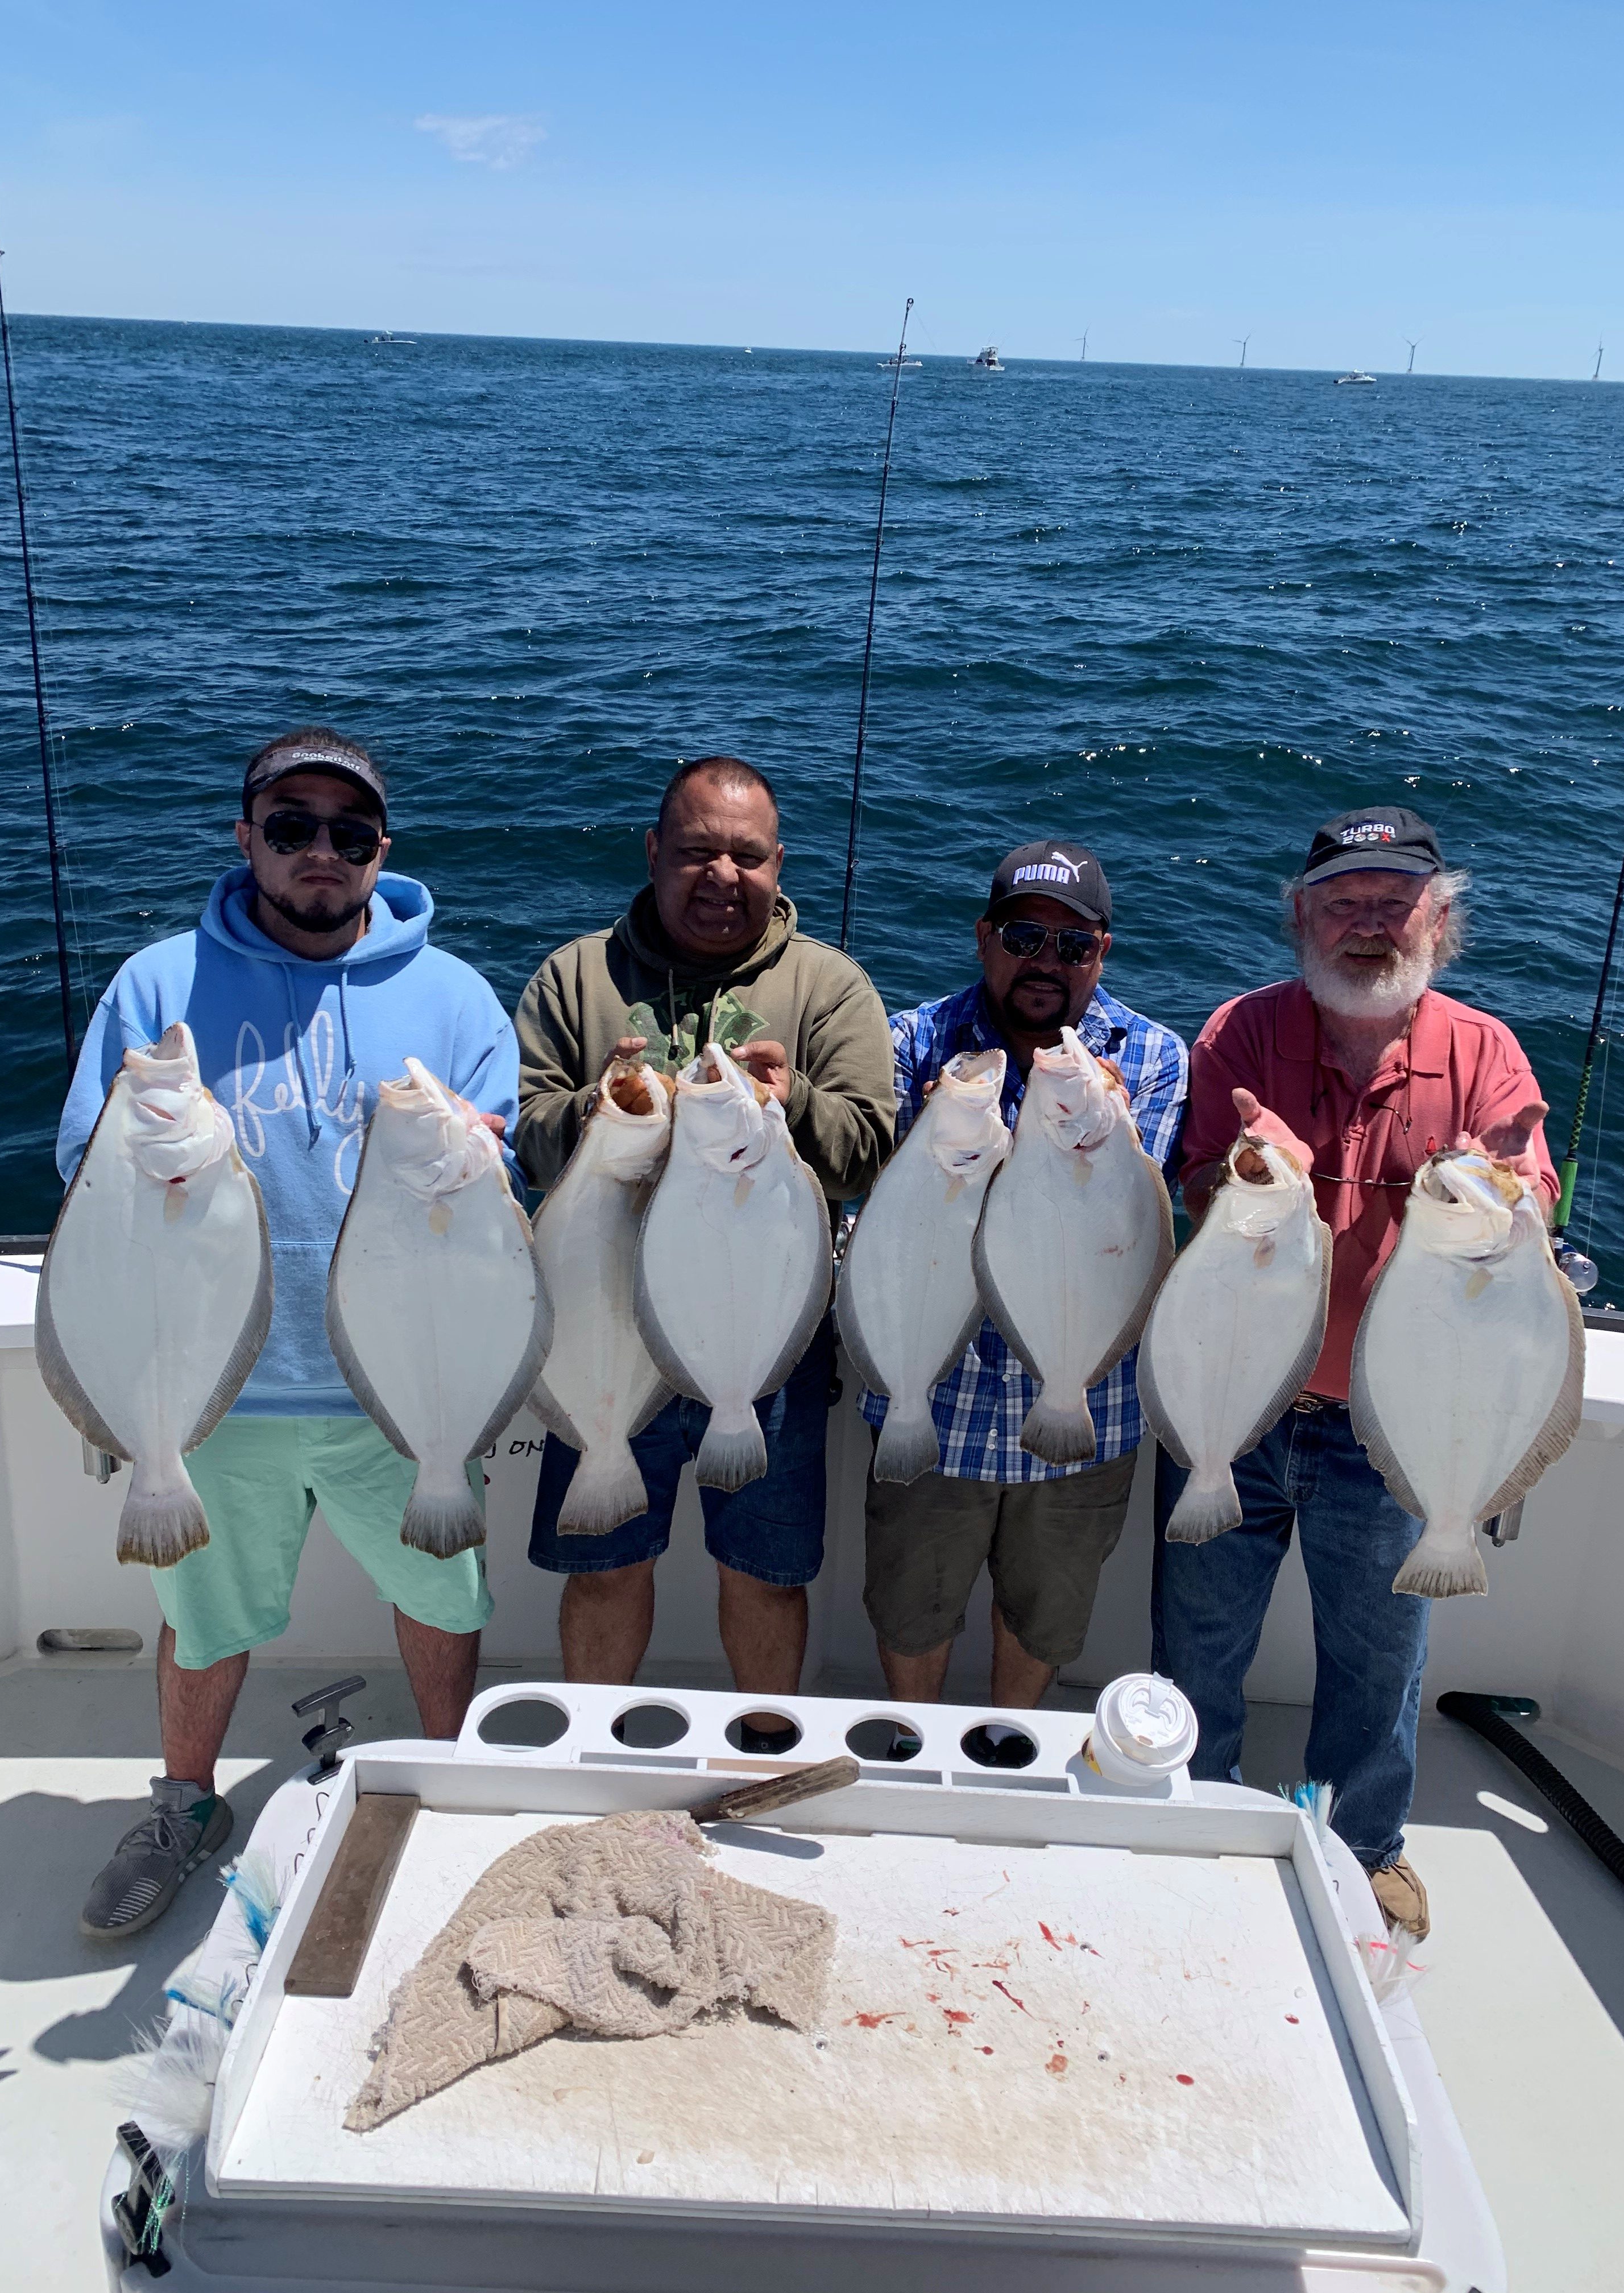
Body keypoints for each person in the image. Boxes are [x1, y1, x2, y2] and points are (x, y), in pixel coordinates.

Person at [60, 730, 516, 1938]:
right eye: (292, 825)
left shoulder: (455, 996)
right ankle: (183, 1805)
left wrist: (485, 1155)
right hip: (218, 1391)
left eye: (349, 831)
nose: (322, 849)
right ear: (246, 836)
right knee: (203, 1619)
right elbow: (80, 1174)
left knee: (445, 1600)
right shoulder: (155, 986)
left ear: (382, 850)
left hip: (403, 1390)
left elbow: (502, 1184)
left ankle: (448, 1785)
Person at [1154, 805, 1556, 1939]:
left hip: (1393, 1426)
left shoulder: (1485, 1054)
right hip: (1235, 1401)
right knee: (1199, 1641)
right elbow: (1195, 1184)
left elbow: (1531, 1193)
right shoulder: (1238, 1033)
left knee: (1380, 1661)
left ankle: (1363, 1846)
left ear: (1440, 920)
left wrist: (1508, 1191)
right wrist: (1242, 1172)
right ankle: (1189, 1811)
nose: (1370, 924)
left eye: (1396, 903)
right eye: (1344, 903)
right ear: (1300, 916)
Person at [514, 756, 895, 1715]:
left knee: (764, 1573)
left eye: (748, 856)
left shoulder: (830, 988)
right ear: (653, 852)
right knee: (604, 1568)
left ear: (779, 865)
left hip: (763, 1338)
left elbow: (866, 1154)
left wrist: (792, 1103)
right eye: (695, 853)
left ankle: (762, 1755)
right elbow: (526, 1142)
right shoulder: (576, 978)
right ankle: (593, 1751)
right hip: (603, 1331)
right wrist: (598, 1108)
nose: (723, 875)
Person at [859, 841, 1187, 1717]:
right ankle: (914, 1746)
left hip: (1088, 1404)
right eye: (1023, 938)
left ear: (1102, 953)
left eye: (1073, 945)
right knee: (910, 1607)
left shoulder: (1154, 1059)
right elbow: (885, 1203)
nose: (1047, 961)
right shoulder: (913, 1042)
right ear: (984, 938)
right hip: (938, 1394)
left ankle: (1010, 1740)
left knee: (1047, 1619)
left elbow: (1128, 1227)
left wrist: (1109, 1139)